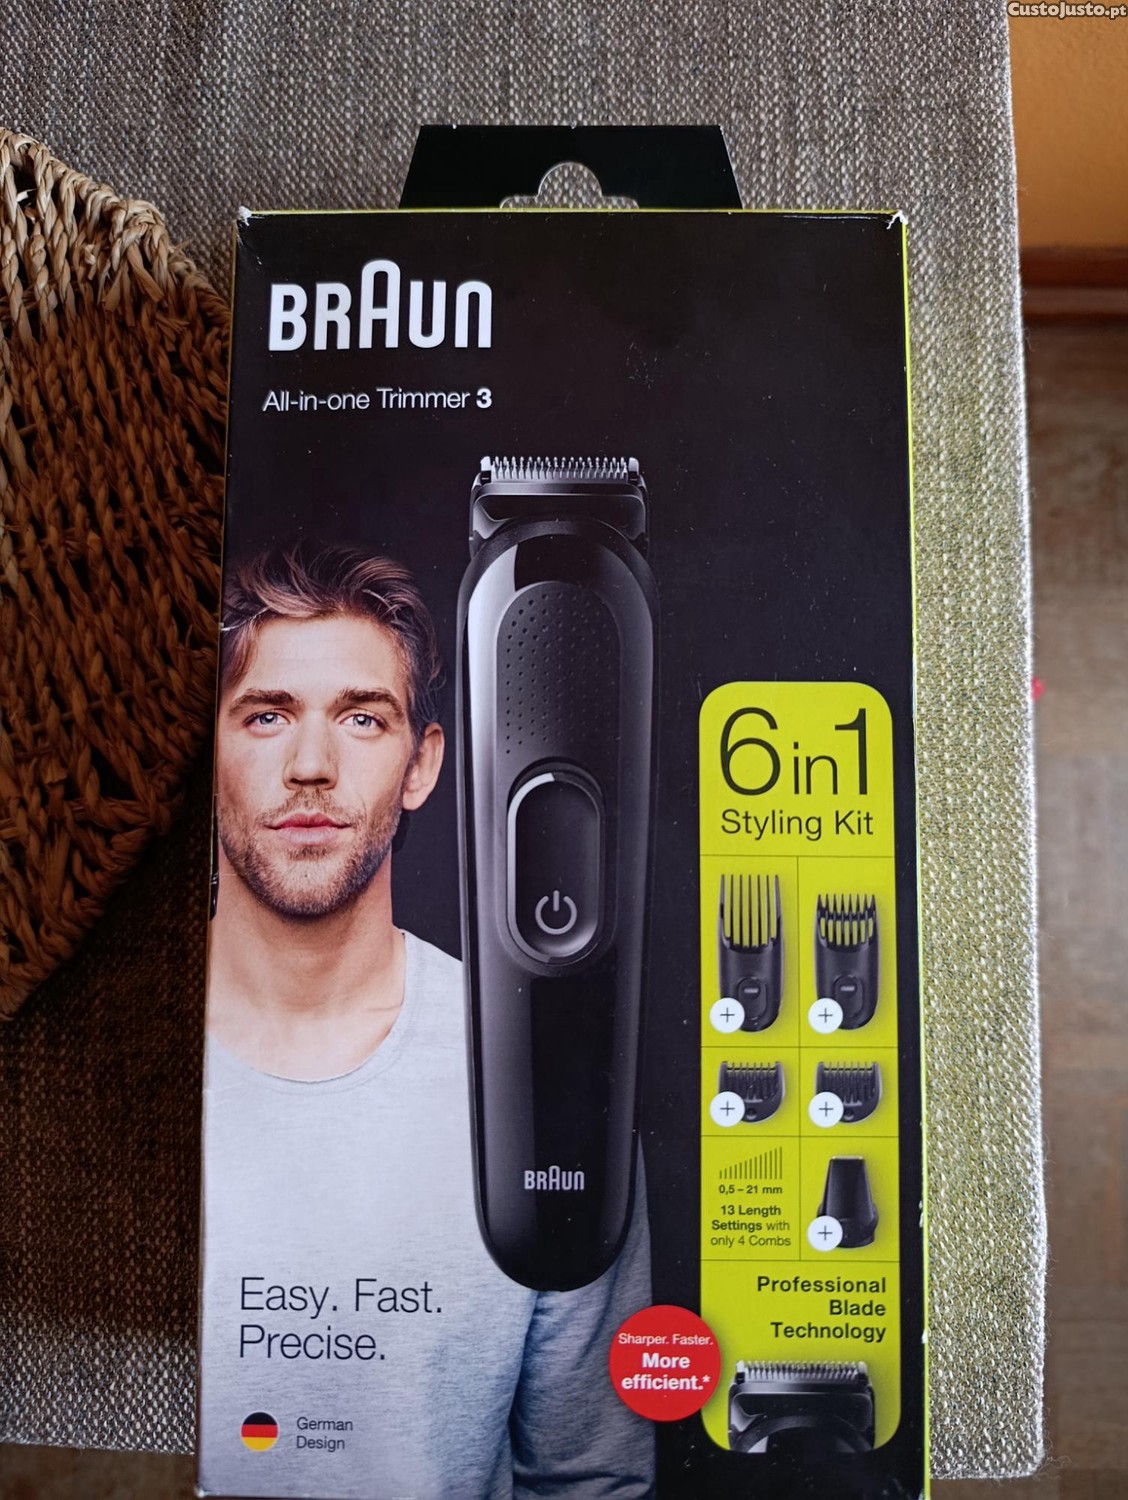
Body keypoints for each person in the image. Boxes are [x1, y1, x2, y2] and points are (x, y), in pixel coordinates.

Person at [197, 539, 654, 1500]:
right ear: (210, 748)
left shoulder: (542, 1079)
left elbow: (590, 1477)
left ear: (422, 764)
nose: (311, 766)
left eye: (362, 719)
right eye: (267, 715)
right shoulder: (96, 1064)